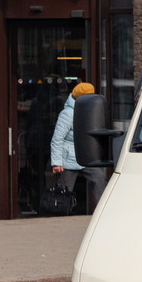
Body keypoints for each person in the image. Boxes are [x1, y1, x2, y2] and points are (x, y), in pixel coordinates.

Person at [50, 82, 107, 213]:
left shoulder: (91, 110)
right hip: (69, 158)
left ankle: (102, 212)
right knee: (64, 191)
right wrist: (57, 163)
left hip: (86, 155)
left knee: (99, 179)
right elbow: (57, 139)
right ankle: (61, 214)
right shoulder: (67, 114)